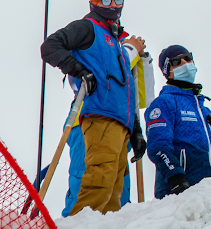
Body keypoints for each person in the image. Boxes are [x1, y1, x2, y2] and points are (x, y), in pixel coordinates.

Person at [40, 0, 147, 215]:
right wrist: (78, 70)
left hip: (121, 122)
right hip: (99, 114)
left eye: (118, 0)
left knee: (114, 196)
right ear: (94, 3)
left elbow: (126, 91)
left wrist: (136, 131)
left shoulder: (117, 43)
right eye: (106, 0)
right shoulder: (89, 28)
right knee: (98, 184)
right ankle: (80, 224)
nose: (113, 5)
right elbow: (50, 46)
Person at [57, 34, 153, 216]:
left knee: (118, 195)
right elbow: (102, 76)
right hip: (87, 121)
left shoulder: (122, 47)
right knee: (88, 186)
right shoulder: (90, 42)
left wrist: (143, 60)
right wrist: (130, 50)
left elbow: (142, 97)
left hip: (120, 123)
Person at [145, 45, 211, 198]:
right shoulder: (164, 103)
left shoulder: (206, 110)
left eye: (187, 58)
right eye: (176, 61)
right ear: (168, 71)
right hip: (178, 194)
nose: (184, 63)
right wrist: (175, 176)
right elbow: (159, 146)